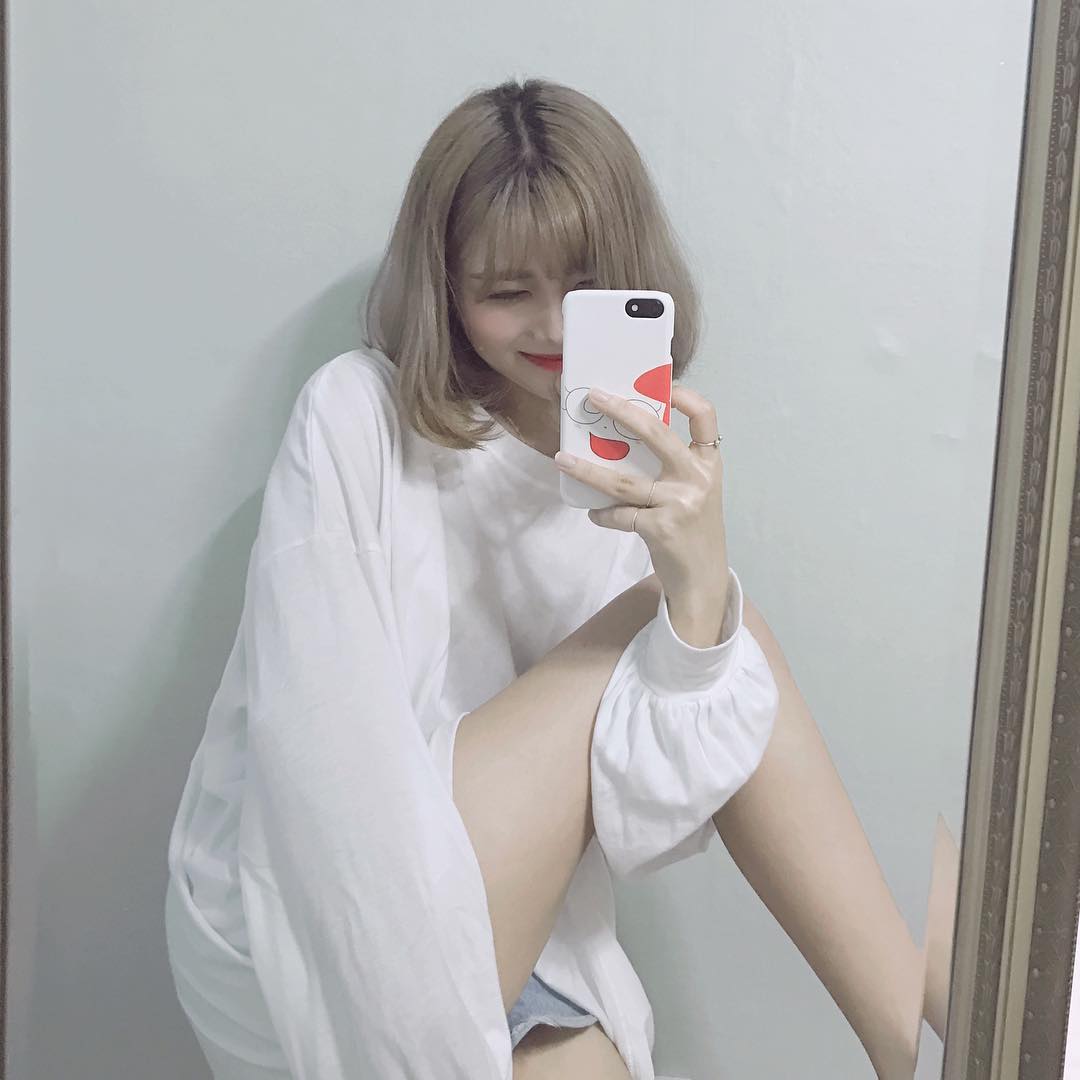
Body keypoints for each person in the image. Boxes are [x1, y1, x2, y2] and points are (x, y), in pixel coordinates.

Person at [164, 77, 943, 1080]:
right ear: (445, 290)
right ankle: (923, 1051)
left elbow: (654, 809)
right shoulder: (354, 413)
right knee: (719, 632)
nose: (551, 327)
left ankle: (941, 1043)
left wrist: (695, 578)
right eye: (504, 292)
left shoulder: (629, 486)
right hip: (314, 909)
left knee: (712, 621)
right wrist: (689, 610)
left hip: (503, 910)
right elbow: (322, 765)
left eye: (585, 288)